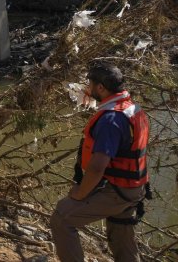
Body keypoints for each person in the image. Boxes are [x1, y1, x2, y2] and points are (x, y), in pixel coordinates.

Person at [49, 61, 150, 262]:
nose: (87, 88)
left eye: (90, 84)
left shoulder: (110, 119)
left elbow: (96, 167)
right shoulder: (131, 108)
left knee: (61, 218)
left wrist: (80, 193)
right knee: (121, 238)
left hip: (117, 191)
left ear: (101, 88)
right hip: (134, 187)